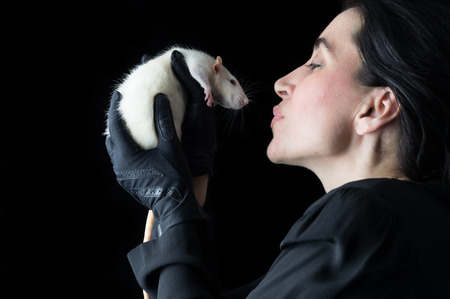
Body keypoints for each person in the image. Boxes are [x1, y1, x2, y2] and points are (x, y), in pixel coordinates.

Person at [105, 0, 450, 297]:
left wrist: (172, 204)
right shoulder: (414, 224)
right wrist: (187, 187)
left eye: (316, 63)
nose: (281, 83)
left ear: (376, 109)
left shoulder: (365, 219)